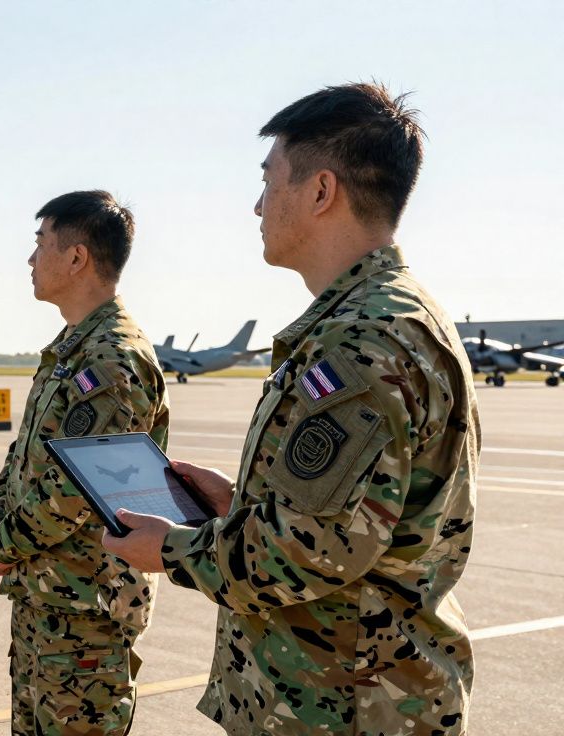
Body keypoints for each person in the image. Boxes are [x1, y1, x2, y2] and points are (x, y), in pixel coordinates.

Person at [101, 83, 480, 735]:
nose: (256, 205)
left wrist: (171, 549)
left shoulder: (363, 343)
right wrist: (238, 503)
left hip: (347, 710)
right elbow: (356, 520)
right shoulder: (381, 321)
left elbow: (308, 554)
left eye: (268, 179)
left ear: (320, 191)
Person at [0, 190, 170, 735]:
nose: (31, 260)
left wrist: (0, 544)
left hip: (88, 606)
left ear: (77, 257)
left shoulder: (111, 356)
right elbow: (25, 454)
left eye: (41, 244)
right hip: (48, 597)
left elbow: (79, 489)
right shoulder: (72, 348)